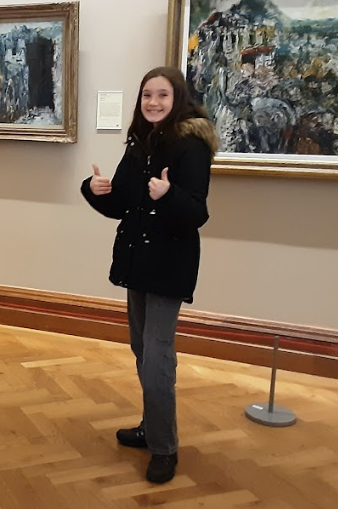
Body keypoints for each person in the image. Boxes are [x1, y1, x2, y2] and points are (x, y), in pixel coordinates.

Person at [81, 66, 218, 483]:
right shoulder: (140, 142)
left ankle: (164, 447)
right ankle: (151, 425)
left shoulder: (191, 146)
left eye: (162, 95)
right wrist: (93, 189)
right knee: (142, 349)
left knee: (158, 355)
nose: (153, 103)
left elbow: (197, 212)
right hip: (136, 260)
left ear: (177, 99)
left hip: (169, 264)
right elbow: (122, 204)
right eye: (147, 95)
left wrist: (169, 194)